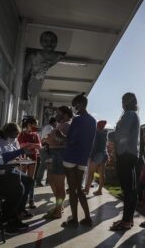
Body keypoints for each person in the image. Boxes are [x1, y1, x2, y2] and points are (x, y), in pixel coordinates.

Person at [62, 93, 96, 228]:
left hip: (71, 157)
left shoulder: (77, 120)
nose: (73, 108)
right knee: (79, 190)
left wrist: (60, 136)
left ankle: (74, 219)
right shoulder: (93, 121)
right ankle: (87, 218)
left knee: (72, 189)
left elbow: (71, 140)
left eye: (74, 105)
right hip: (82, 159)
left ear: (80, 105)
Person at [108, 92, 140, 231]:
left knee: (128, 190)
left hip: (125, 154)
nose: (121, 104)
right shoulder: (133, 114)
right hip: (131, 154)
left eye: (123, 101)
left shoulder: (129, 115)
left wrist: (109, 135)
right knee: (130, 189)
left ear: (126, 102)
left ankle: (126, 221)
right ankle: (128, 219)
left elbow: (121, 134)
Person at [0, 123, 34, 220]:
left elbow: (15, 155)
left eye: (17, 134)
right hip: (2, 171)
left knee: (28, 180)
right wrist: (18, 153)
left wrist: (19, 159)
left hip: (11, 168)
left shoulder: (15, 141)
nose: (16, 137)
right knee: (21, 182)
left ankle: (19, 209)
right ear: (8, 133)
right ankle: (12, 211)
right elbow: (0, 160)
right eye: (14, 134)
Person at [42, 106, 72, 219]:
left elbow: (62, 140)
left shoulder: (67, 125)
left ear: (65, 114)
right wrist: (48, 139)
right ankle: (58, 206)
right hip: (53, 155)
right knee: (51, 180)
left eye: (58, 113)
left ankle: (58, 210)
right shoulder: (61, 124)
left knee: (60, 185)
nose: (56, 115)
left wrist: (47, 139)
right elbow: (54, 138)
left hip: (59, 155)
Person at [18, 116, 42, 209]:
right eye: (34, 124)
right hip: (23, 160)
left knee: (31, 180)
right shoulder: (21, 134)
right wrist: (33, 146)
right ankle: (21, 199)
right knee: (23, 180)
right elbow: (21, 145)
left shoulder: (36, 135)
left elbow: (39, 146)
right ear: (29, 124)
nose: (36, 126)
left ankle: (31, 200)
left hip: (33, 159)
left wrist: (29, 145)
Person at [84, 120, 108, 196]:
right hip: (104, 154)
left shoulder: (97, 133)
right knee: (102, 174)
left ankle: (86, 190)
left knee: (91, 173)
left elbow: (95, 146)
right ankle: (100, 190)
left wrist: (91, 157)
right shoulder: (105, 134)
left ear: (97, 126)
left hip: (97, 155)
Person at [35, 117, 58, 186]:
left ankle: (47, 180)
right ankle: (39, 180)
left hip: (46, 148)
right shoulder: (49, 128)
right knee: (44, 165)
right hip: (45, 148)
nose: (57, 124)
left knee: (48, 165)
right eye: (56, 123)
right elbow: (47, 138)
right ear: (54, 122)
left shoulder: (47, 127)